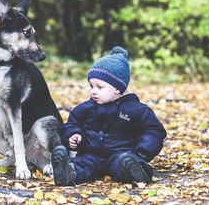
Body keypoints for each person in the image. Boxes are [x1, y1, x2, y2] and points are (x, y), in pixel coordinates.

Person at [51, 46, 167, 186]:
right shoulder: (85, 108)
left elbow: (154, 130)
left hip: (119, 154)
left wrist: (142, 152)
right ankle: (67, 172)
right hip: (91, 154)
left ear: (117, 88)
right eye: (91, 86)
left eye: (99, 87)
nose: (93, 91)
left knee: (123, 164)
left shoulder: (135, 110)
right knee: (82, 165)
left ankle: (137, 171)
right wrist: (73, 135)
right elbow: (72, 124)